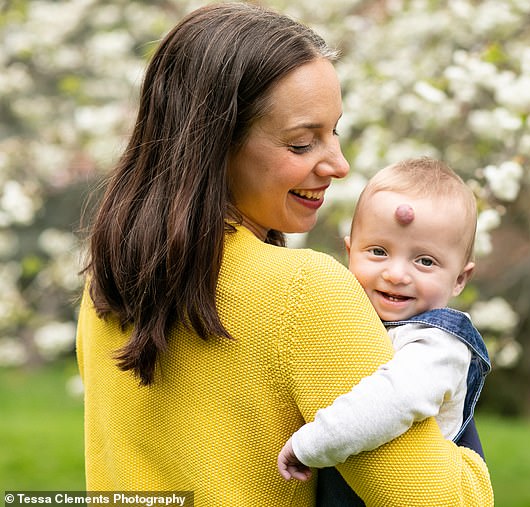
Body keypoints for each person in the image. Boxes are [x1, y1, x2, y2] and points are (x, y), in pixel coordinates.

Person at [76, 3, 493, 506]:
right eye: (301, 144)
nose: (338, 165)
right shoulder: (303, 292)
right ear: (215, 146)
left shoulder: (112, 280)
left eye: (333, 131)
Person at [278, 157, 491, 485]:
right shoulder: (348, 315)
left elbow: (392, 400)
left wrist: (310, 445)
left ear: (460, 279)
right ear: (350, 252)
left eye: (424, 261)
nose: (395, 274)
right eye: (378, 252)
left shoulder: (438, 345)